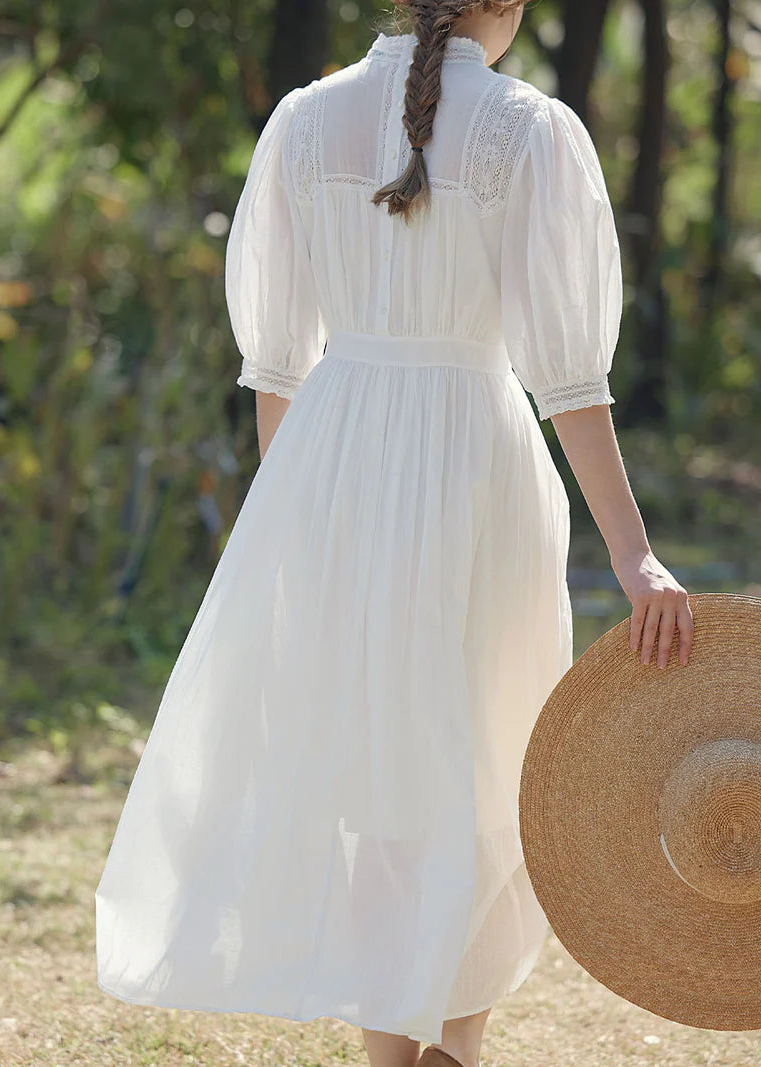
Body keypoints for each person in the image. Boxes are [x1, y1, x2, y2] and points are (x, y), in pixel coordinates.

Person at [94, 3, 695, 1067]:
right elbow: (569, 378)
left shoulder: (302, 120)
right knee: (479, 766)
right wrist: (630, 550)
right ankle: (455, 1048)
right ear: (502, 6)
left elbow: (274, 365)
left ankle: (396, 1054)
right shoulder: (528, 128)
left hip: (330, 465)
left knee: (380, 777)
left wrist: (296, 523)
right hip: (472, 456)